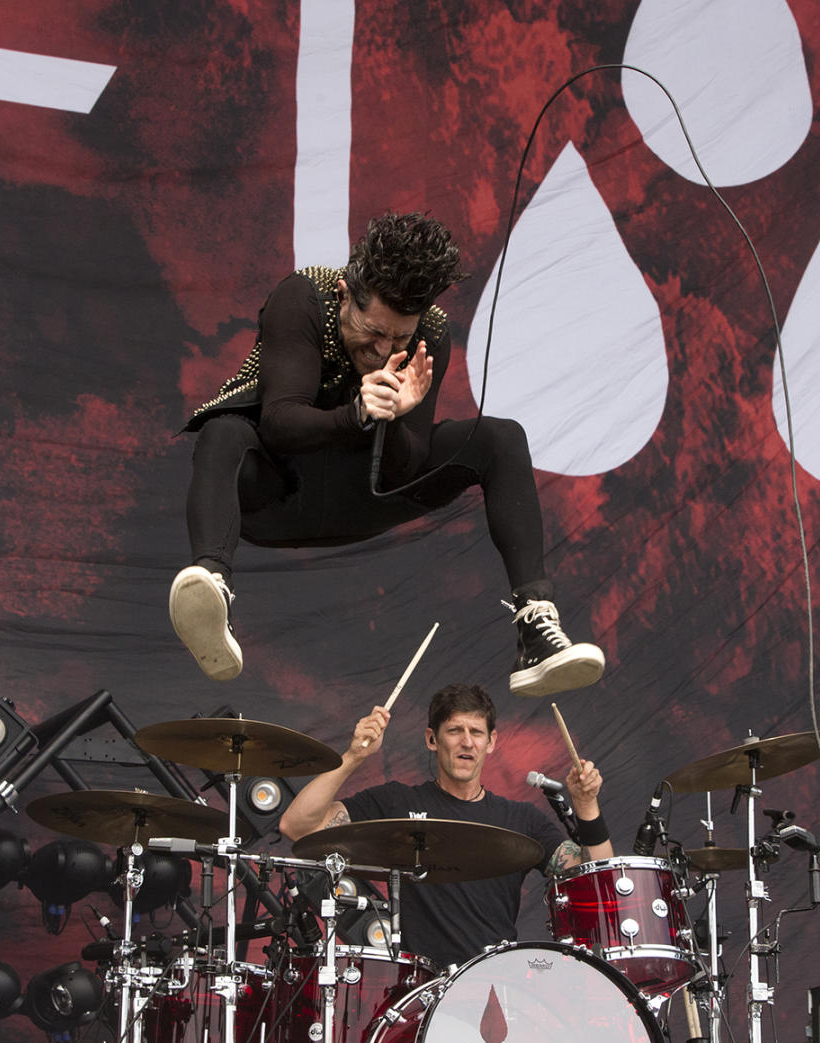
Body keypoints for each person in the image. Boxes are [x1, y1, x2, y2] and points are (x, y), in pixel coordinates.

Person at [168, 212, 604, 697]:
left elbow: (404, 466)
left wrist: (395, 415)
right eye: (373, 332)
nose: (382, 350)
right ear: (342, 294)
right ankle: (210, 593)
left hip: (365, 495)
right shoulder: (303, 298)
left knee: (501, 437)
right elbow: (279, 422)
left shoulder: (431, 332)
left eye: (398, 338)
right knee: (223, 432)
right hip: (278, 494)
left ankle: (535, 629)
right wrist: (355, 412)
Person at [277, 683, 613, 970]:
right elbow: (297, 826)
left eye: (476, 732)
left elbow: (598, 884)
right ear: (432, 739)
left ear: (491, 742)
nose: (467, 742)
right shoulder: (397, 802)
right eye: (455, 730)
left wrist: (586, 806)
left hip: (499, 986)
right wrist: (353, 756)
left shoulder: (522, 819)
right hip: (419, 992)